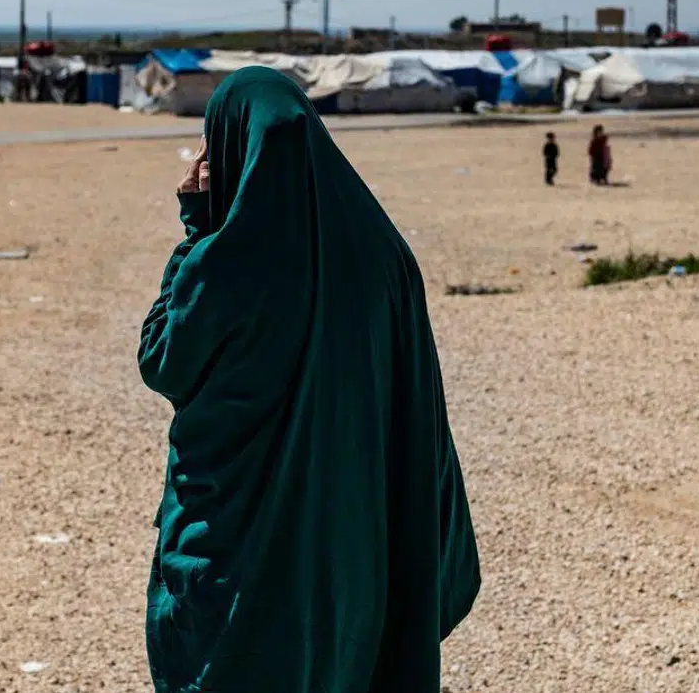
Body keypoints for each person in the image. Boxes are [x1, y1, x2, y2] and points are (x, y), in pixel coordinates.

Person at [138, 67, 481, 693]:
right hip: (356, 536)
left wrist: (194, 225)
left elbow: (162, 359)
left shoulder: (229, 259)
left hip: (241, 553)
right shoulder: (386, 253)